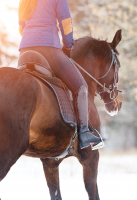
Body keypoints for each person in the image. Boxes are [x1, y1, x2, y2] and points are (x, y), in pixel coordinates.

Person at [18, 0, 103, 149]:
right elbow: (66, 22)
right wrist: (68, 45)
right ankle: (84, 133)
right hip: (48, 49)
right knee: (81, 86)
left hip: (25, 51)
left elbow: (21, 26)